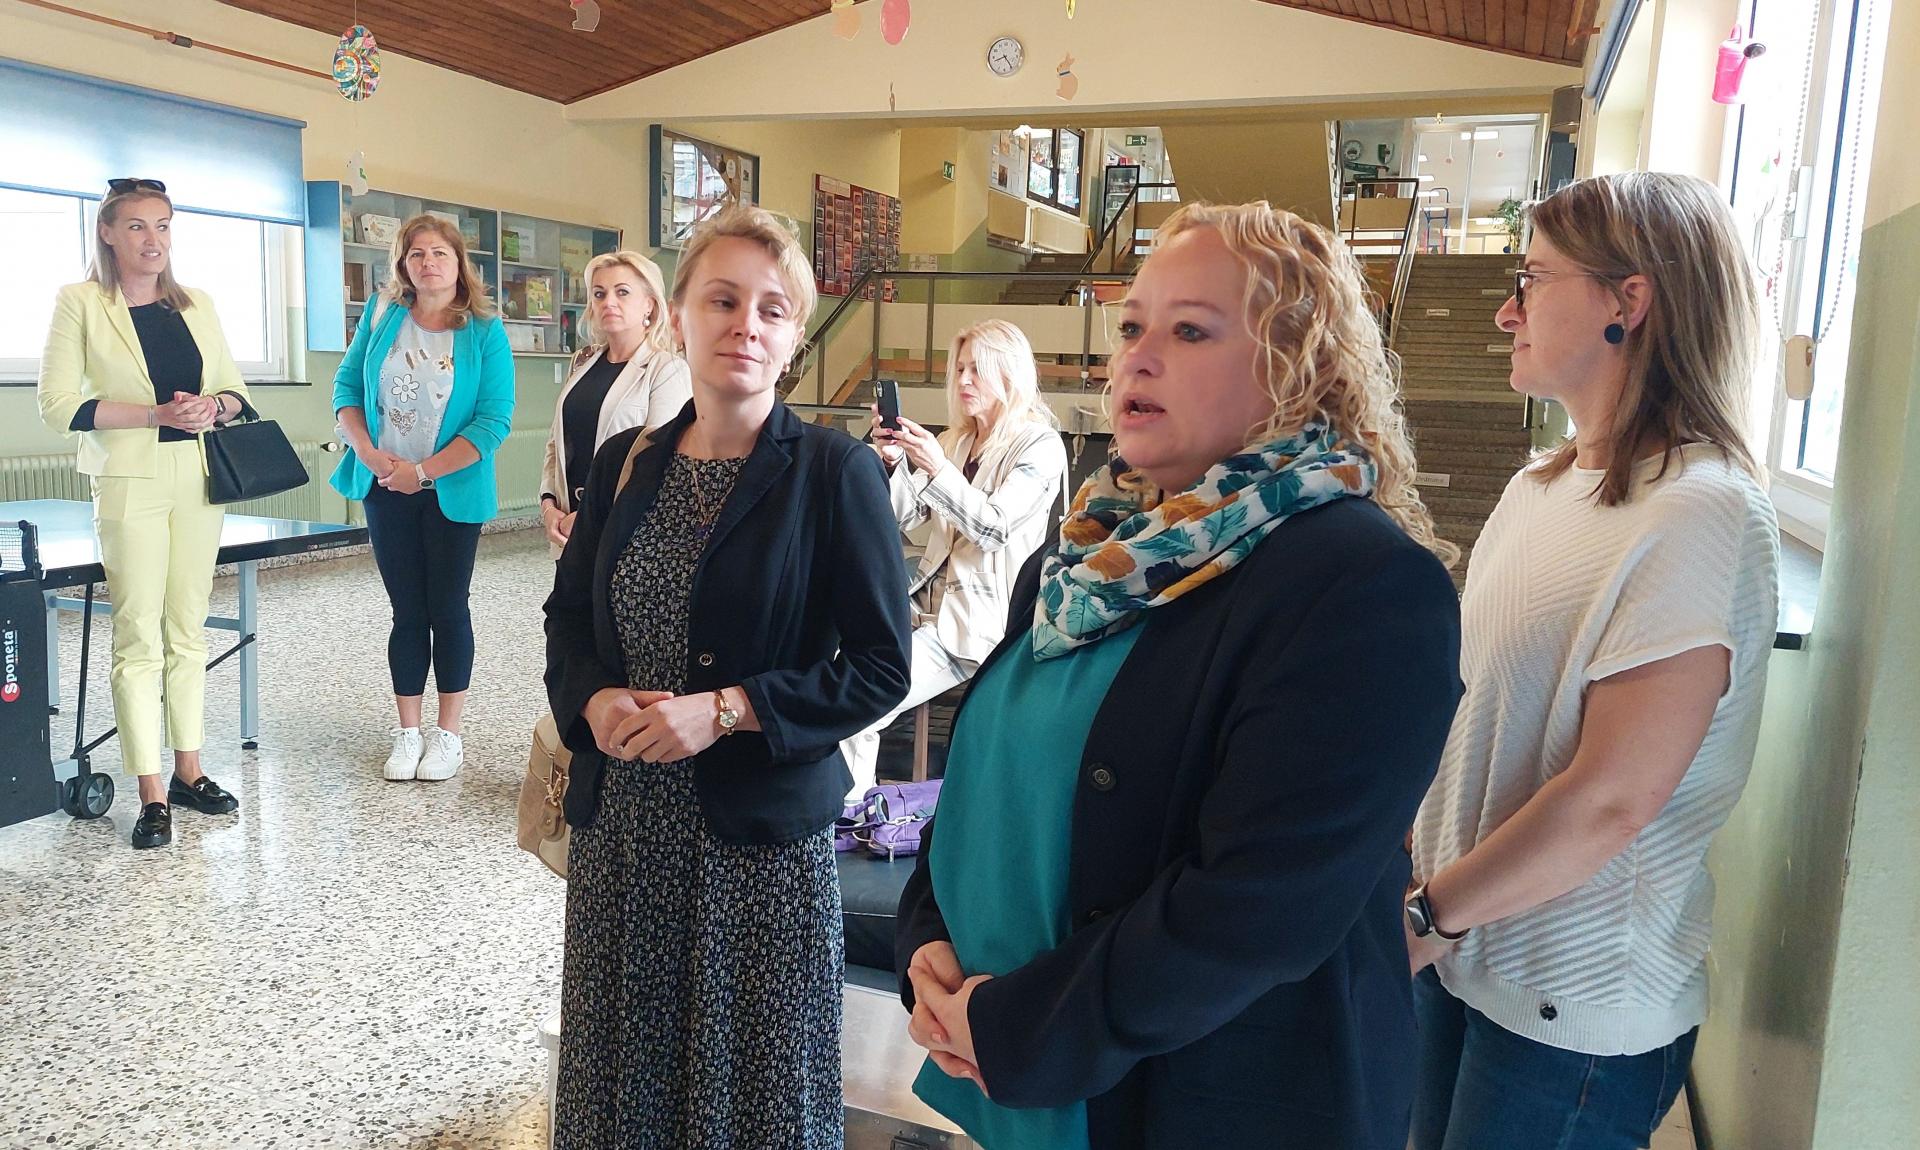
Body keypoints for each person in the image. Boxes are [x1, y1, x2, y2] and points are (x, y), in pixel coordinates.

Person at [896, 201, 1464, 1149]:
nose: (1138, 359)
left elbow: (1258, 905)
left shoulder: (1364, 585)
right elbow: (981, 785)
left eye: (1190, 330)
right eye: (1131, 328)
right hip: (1019, 1071)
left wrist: (1020, 1026)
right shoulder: (1086, 560)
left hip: (1210, 1104)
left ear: (1296, 365)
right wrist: (927, 938)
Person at [1406, 173, 1779, 1150]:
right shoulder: (1541, 486)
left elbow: (1611, 799)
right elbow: (1478, 716)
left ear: (1630, 299)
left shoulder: (1700, 511)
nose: (1507, 310)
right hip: (1461, 956)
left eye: (1531, 279)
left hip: (1567, 1013)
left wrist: (1427, 916)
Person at [543, 205, 910, 1148]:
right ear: (679, 318)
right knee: (625, 1085)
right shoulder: (626, 463)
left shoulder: (833, 473)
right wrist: (593, 697)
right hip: (626, 837)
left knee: (749, 1099)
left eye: (772, 309)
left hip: (755, 857)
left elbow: (880, 668)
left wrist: (732, 708)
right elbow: (568, 616)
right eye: (723, 300)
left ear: (793, 340)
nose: (746, 324)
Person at [36, 178, 253, 851]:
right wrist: (156, 414)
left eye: (162, 225)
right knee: (138, 635)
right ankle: (151, 791)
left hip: (198, 477)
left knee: (187, 628)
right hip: (129, 480)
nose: (152, 240)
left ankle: (189, 771)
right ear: (107, 233)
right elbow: (59, 406)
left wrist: (214, 406)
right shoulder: (80, 302)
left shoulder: (197, 304)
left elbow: (236, 392)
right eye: (136, 226)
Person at [840, 318, 1067, 795]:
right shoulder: (955, 441)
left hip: (978, 623)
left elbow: (993, 527)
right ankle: (840, 807)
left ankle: (849, 815)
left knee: (860, 704)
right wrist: (891, 463)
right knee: (838, 668)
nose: (963, 380)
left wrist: (938, 468)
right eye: (960, 368)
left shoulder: (1040, 446)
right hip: (921, 610)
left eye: (977, 369)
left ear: (1009, 374)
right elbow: (899, 517)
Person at [330, 214, 515, 782]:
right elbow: (346, 389)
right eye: (417, 254)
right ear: (403, 264)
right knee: (406, 611)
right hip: (384, 487)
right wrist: (368, 453)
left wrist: (425, 473)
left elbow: (493, 421)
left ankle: (447, 735)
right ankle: (408, 732)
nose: (428, 263)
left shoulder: (484, 330)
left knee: (448, 609)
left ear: (459, 263)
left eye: (439, 253)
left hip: (450, 492)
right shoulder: (382, 314)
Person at [539, 249, 691, 556]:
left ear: (649, 304)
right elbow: (556, 443)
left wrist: (590, 516)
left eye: (622, 292)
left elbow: (661, 463)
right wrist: (548, 505)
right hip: (567, 530)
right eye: (599, 294)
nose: (608, 302)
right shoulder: (582, 363)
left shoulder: (667, 369)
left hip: (626, 534)